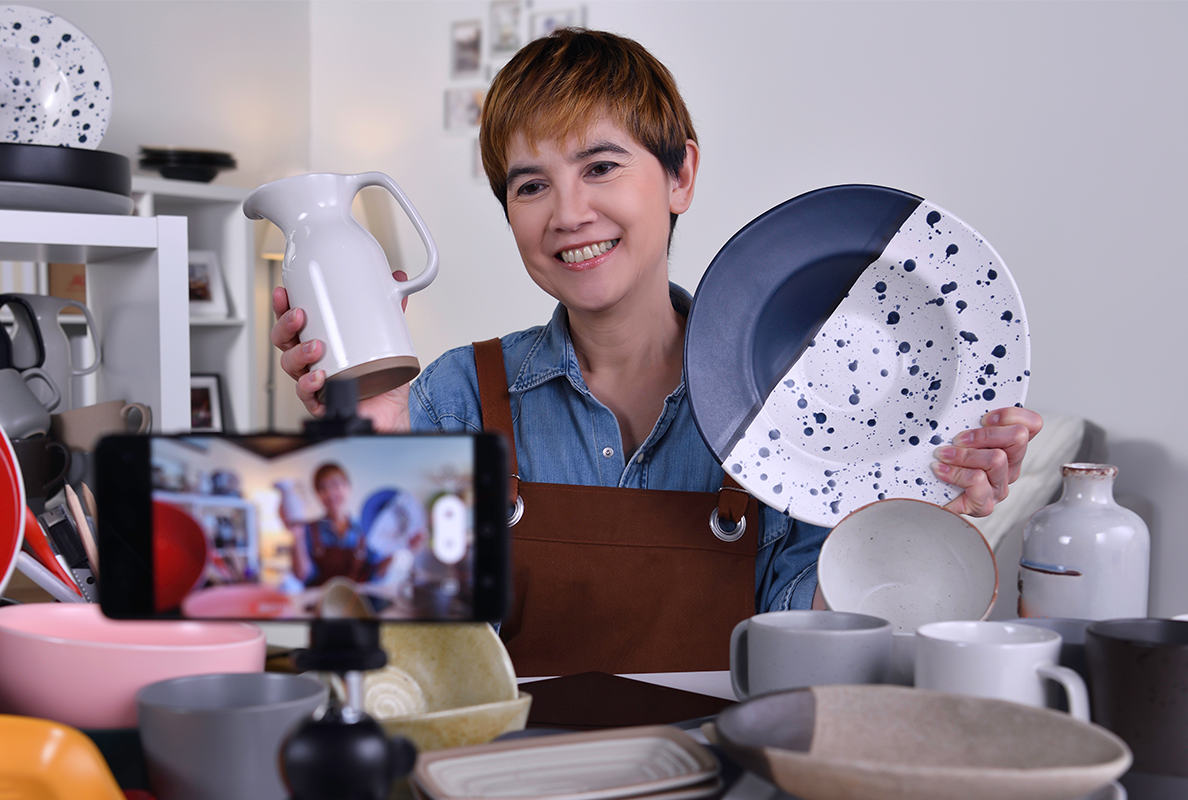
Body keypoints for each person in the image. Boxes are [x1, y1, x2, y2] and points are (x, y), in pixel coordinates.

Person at [272, 28, 1042, 676]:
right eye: (530, 185)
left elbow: (805, 639)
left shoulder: (793, 413)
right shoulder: (454, 395)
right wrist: (359, 451)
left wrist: (906, 523)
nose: (570, 213)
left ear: (681, 176)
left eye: (601, 167)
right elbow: (392, 654)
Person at [288, 462, 382, 588]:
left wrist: (400, 547)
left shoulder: (366, 527)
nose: (330, 493)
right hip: (319, 603)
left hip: (356, 603)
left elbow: (377, 573)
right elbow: (302, 575)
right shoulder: (308, 529)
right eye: (322, 488)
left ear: (348, 487)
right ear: (317, 494)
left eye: (335, 485)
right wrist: (297, 537)